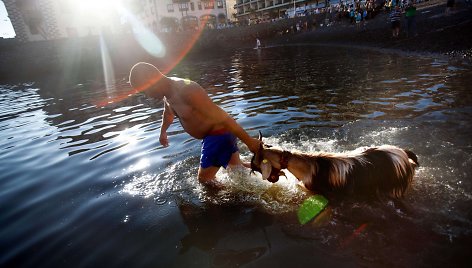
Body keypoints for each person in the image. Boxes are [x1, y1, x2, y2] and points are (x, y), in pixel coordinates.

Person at [128, 62, 261, 187]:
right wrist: (163, 131)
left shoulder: (186, 89)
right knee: (237, 168)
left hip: (217, 136)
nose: (147, 96)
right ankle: (267, 166)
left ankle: (239, 200)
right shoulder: (167, 95)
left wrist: (249, 141)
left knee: (204, 181)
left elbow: (223, 117)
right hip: (219, 136)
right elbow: (168, 113)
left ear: (152, 79)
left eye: (145, 90)